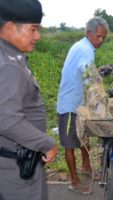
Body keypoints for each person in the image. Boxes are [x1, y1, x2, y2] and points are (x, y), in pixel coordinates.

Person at [0, 0, 58, 199]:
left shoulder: (9, 56)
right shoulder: (8, 65)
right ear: (10, 27)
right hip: (15, 168)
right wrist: (46, 143)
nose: (37, 36)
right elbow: (6, 119)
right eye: (33, 29)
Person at [56, 16, 109, 194]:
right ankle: (74, 181)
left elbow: (86, 71)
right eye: (98, 36)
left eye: (104, 37)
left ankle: (86, 165)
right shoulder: (86, 50)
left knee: (83, 135)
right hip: (70, 104)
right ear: (88, 33)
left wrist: (98, 72)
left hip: (79, 102)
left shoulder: (83, 46)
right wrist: (99, 102)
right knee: (69, 144)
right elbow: (89, 79)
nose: (101, 40)